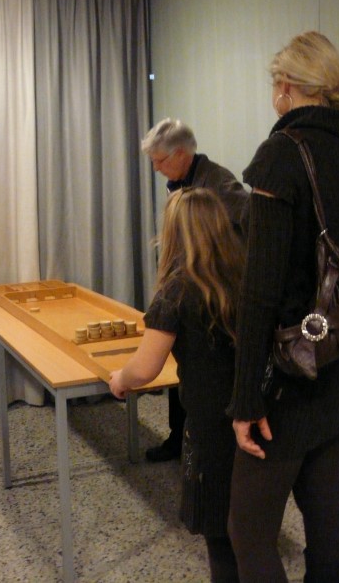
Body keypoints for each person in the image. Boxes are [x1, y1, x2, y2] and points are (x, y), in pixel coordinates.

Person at [226, 31, 339, 582]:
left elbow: (259, 292)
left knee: (248, 531)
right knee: (323, 512)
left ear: (286, 86)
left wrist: (246, 398)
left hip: (291, 376)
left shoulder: (281, 155)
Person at [110, 187, 244, 582]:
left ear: (175, 233)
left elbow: (145, 369)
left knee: (219, 533)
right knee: (249, 528)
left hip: (210, 423)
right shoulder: (244, 280)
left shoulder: (178, 289)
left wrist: (120, 379)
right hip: (253, 413)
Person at [141, 118, 249, 462]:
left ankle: (201, 449)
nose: (156, 168)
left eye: (160, 161)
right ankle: (179, 438)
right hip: (191, 285)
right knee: (182, 369)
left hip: (210, 294)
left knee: (204, 378)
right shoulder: (180, 180)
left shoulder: (220, 184)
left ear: (181, 154)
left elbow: (250, 230)